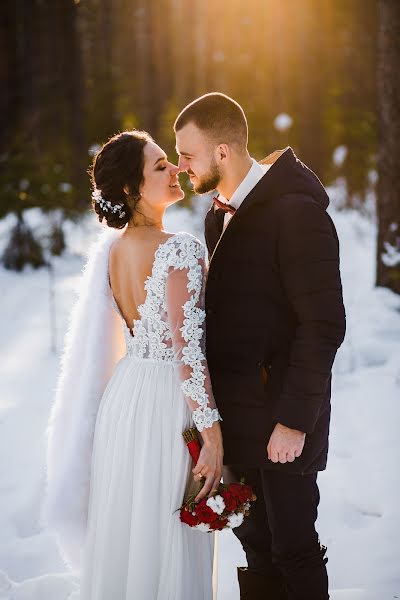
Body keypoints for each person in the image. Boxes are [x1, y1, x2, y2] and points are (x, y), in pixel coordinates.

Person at [174, 92, 346, 600]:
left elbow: (324, 323)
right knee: (256, 547)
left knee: (294, 547)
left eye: (188, 154)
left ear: (222, 152)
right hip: (240, 420)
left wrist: (294, 419)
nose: (182, 166)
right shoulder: (217, 217)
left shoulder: (296, 212)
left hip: (285, 421)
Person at [42, 130, 223, 600]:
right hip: (169, 402)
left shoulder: (113, 250)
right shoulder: (180, 247)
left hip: (125, 400)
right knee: (169, 529)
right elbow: (187, 350)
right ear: (130, 189)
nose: (176, 170)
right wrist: (213, 435)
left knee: (132, 526)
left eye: (171, 162)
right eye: (160, 166)